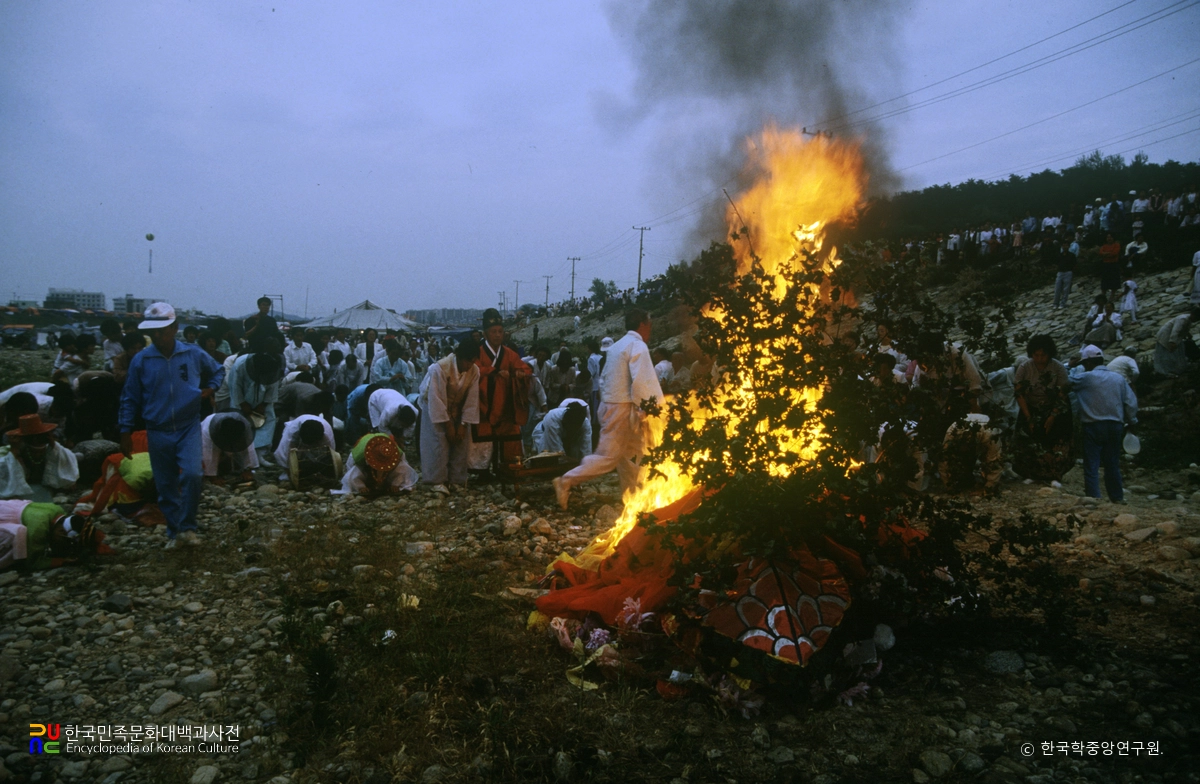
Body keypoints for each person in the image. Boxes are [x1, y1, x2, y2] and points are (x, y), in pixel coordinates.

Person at [117, 302, 225, 547]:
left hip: (188, 426)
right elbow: (129, 397)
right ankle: (175, 532)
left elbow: (218, 371)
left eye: (162, 330)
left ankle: (188, 526)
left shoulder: (192, 353)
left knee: (192, 474)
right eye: (153, 332)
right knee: (165, 485)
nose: (157, 336)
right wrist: (124, 431)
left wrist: (210, 389)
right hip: (157, 429)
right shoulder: (141, 360)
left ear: (175, 328)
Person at [554, 308, 663, 509]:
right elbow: (642, 381)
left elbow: (604, 380)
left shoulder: (616, 347)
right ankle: (566, 480)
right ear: (643, 325)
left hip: (612, 404)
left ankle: (632, 495)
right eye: (649, 326)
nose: (650, 331)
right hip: (621, 407)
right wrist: (650, 407)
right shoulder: (637, 346)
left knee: (631, 452)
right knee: (609, 456)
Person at [1070, 344, 1137, 502]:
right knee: (1112, 464)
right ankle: (1117, 497)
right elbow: (1131, 402)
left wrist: (1072, 367)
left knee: (1092, 464)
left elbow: (1067, 382)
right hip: (1115, 425)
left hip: (1093, 425)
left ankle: (1094, 498)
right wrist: (1132, 421)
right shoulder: (1119, 379)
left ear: (1087, 363)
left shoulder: (1086, 378)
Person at [418, 338, 481, 487]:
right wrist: (448, 425)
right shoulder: (439, 368)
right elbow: (437, 399)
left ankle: (456, 480)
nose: (469, 365)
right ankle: (436, 480)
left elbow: (472, 400)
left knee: (461, 439)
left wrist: (462, 424)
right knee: (438, 441)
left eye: (472, 361)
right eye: (467, 361)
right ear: (459, 356)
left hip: (457, 405)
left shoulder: (474, 370)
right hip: (434, 405)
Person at [473, 309, 532, 468]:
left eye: (500, 331)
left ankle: (509, 466)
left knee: (508, 433)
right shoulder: (477, 352)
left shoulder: (510, 353)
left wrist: (519, 374)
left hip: (505, 402)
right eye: (493, 332)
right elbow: (474, 370)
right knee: (483, 435)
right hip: (484, 403)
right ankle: (483, 469)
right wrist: (494, 372)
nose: (498, 335)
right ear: (485, 334)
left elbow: (525, 369)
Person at [1012, 335, 1072, 481]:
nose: (1039, 359)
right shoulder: (1024, 367)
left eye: (1043, 355)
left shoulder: (1058, 368)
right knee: (1028, 437)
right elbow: (1019, 393)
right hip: (1030, 406)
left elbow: (1062, 394)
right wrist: (1028, 416)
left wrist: (1053, 415)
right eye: (1036, 355)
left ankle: (1053, 475)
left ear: (1049, 354)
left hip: (1053, 406)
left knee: (1054, 439)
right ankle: (1030, 474)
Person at [0, 500, 109, 571]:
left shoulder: (57, 510)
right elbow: (32, 562)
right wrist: (60, 560)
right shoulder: (39, 528)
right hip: (4, 519)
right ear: (61, 532)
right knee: (18, 535)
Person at [0, 414, 80, 500]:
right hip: (22, 493)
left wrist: (54, 445)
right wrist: (14, 450)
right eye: (33, 438)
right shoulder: (10, 452)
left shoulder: (55, 450)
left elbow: (69, 478)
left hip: (45, 490)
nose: (36, 440)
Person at [227, 350, 283, 461]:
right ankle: (243, 456)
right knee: (240, 423)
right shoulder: (240, 365)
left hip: (262, 399)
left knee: (268, 421)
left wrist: (263, 404)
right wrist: (242, 403)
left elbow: (272, 389)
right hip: (241, 399)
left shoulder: (272, 367)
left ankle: (260, 454)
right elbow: (235, 386)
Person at [340, 431, 417, 495]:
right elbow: (352, 475)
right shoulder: (360, 458)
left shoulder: (399, 455)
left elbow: (404, 470)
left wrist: (396, 484)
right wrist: (360, 487)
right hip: (362, 454)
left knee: (401, 471)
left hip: (389, 452)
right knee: (356, 476)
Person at [275, 416, 339, 488]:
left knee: (323, 458)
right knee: (288, 455)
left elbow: (331, 455)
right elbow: (282, 454)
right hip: (299, 428)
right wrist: (292, 475)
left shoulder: (327, 435)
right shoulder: (293, 431)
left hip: (320, 432)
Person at [200, 411, 258, 484]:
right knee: (210, 454)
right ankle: (212, 473)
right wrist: (213, 477)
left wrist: (248, 470)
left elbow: (249, 450)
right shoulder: (207, 430)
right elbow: (209, 454)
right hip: (207, 439)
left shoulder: (243, 427)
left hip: (229, 433)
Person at [1153, 310, 1196, 377]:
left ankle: (1177, 369)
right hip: (1166, 335)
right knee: (1167, 355)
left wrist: (1188, 334)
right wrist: (1172, 342)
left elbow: (1184, 328)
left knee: (1179, 353)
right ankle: (1165, 372)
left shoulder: (1188, 320)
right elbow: (1175, 330)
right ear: (1192, 314)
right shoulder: (1182, 319)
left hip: (1176, 337)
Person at [1098, 233, 1122, 299]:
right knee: (1104, 280)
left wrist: (1105, 254)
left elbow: (1115, 253)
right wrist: (1107, 254)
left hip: (1114, 264)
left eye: (1110, 237)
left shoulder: (1116, 245)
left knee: (1114, 280)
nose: (1109, 239)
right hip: (1106, 264)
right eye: (1108, 237)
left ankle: (1112, 295)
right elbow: (1100, 253)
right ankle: (1103, 295)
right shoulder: (1104, 246)